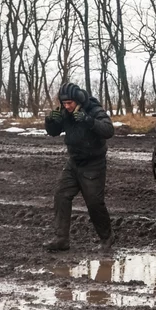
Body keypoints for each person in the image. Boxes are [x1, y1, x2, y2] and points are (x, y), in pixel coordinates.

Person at [43, 82, 117, 252]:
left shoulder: (93, 109)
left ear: (78, 100)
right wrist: (51, 121)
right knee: (61, 195)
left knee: (94, 202)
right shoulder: (65, 111)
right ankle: (61, 239)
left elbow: (108, 130)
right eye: (64, 103)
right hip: (74, 162)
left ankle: (107, 237)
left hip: (94, 164)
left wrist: (88, 120)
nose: (66, 106)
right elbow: (53, 132)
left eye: (70, 103)